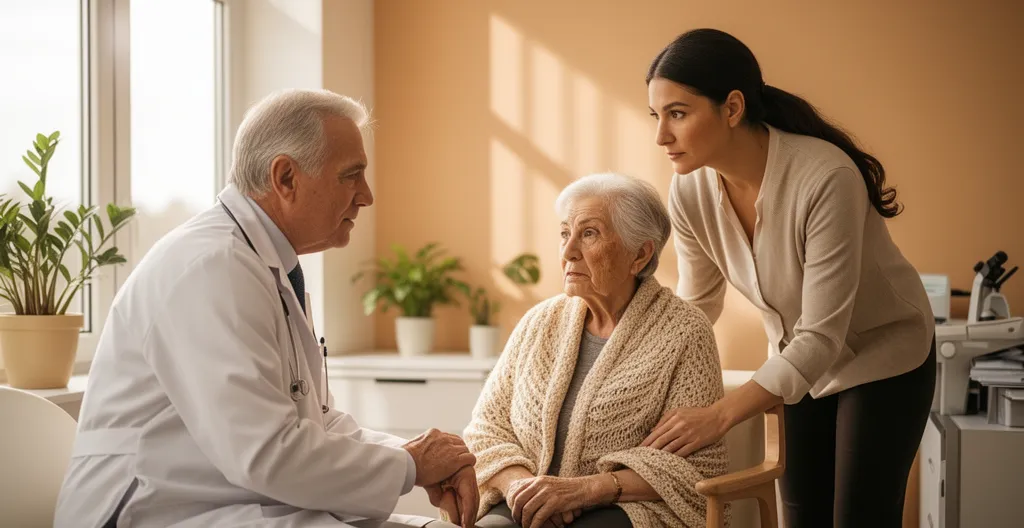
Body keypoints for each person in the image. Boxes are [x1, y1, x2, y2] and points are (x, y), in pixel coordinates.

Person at [54, 89, 478, 528]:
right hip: (149, 510)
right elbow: (267, 454)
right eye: (351, 175)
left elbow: (317, 421)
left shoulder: (262, 263)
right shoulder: (212, 267)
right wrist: (410, 465)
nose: (366, 196)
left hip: (221, 500)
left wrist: (418, 459)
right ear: (286, 179)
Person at [642, 28, 936, 527]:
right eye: (656, 115)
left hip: (884, 355)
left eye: (678, 113)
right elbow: (698, 303)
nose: (661, 136)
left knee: (858, 517)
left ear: (732, 108)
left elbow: (822, 335)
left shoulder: (825, 178)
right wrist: (646, 372)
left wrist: (720, 414)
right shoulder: (689, 190)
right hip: (800, 363)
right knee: (801, 517)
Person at [463, 173, 730, 528]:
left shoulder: (684, 331)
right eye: (564, 233)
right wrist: (522, 488)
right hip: (525, 503)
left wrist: (582, 491)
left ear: (640, 254)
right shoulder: (539, 321)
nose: (568, 250)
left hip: (625, 508)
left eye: (589, 234)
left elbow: (695, 466)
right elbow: (486, 429)